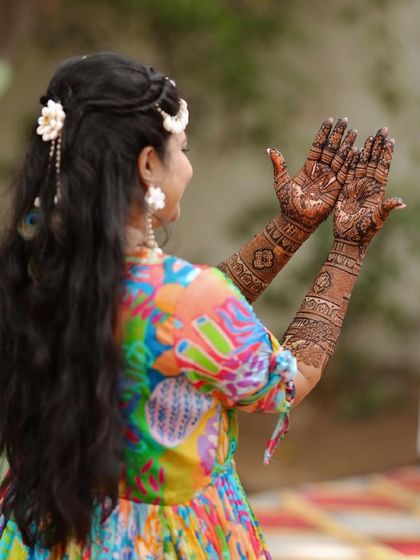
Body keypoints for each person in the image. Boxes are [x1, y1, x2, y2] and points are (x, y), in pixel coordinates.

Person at [0, 52, 405, 559]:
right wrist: (348, 248)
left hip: (49, 529)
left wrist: (292, 228)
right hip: (162, 542)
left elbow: (181, 323)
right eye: (182, 149)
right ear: (148, 164)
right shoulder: (185, 300)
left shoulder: (33, 269)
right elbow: (287, 379)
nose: (187, 167)